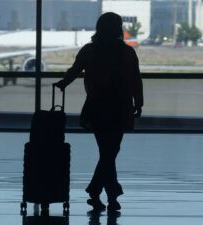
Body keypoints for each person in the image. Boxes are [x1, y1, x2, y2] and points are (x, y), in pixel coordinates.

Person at [55, 12, 143, 211]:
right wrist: (138, 102)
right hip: (120, 108)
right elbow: (136, 79)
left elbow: (75, 70)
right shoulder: (127, 53)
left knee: (107, 151)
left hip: (97, 106)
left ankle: (101, 192)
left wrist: (64, 83)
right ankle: (106, 193)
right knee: (111, 151)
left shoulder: (90, 50)